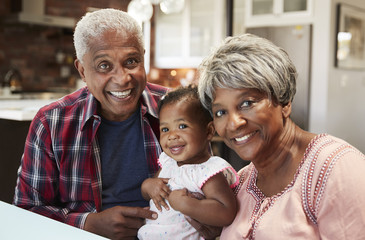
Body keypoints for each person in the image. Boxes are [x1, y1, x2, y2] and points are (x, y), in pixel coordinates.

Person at [13, 9, 169, 239]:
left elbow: (208, 183)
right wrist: (87, 224)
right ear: (82, 71)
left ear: (143, 58)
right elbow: (26, 211)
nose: (122, 78)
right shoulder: (51, 122)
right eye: (104, 65)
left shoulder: (176, 107)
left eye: (132, 61)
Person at [197, 33, 365, 239]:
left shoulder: (336, 167)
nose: (234, 124)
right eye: (221, 112)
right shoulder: (240, 182)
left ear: (284, 102)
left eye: (247, 103)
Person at [137, 85, 238, 240]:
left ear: (209, 131)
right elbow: (150, 189)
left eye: (182, 126)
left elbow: (226, 212)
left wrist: (187, 204)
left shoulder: (208, 172)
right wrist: (148, 186)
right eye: (165, 129)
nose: (171, 136)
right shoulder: (168, 164)